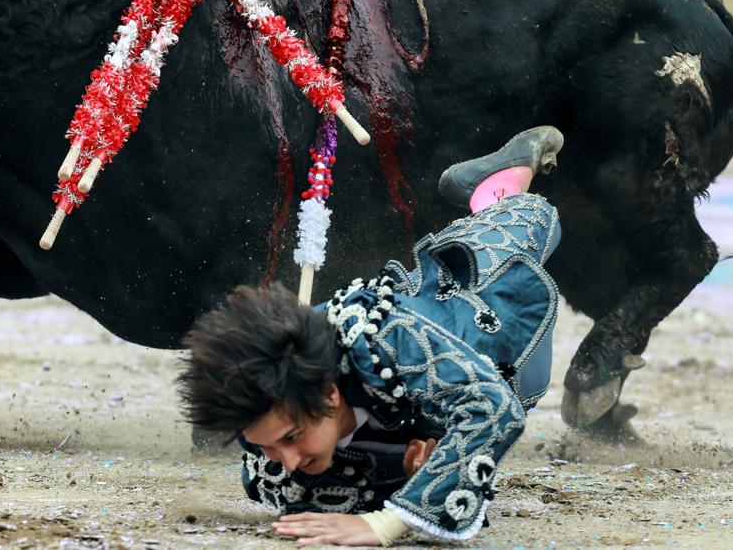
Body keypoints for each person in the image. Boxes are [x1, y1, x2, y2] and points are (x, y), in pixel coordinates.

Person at [177, 126, 565, 545]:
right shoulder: (267, 466)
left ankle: (497, 184)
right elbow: (338, 490)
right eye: (269, 447)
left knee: (533, 217)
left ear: (329, 394)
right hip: (425, 372)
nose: (285, 462)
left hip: (487, 316)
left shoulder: (386, 340)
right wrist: (406, 469)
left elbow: (491, 407)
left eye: (291, 437)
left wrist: (385, 524)